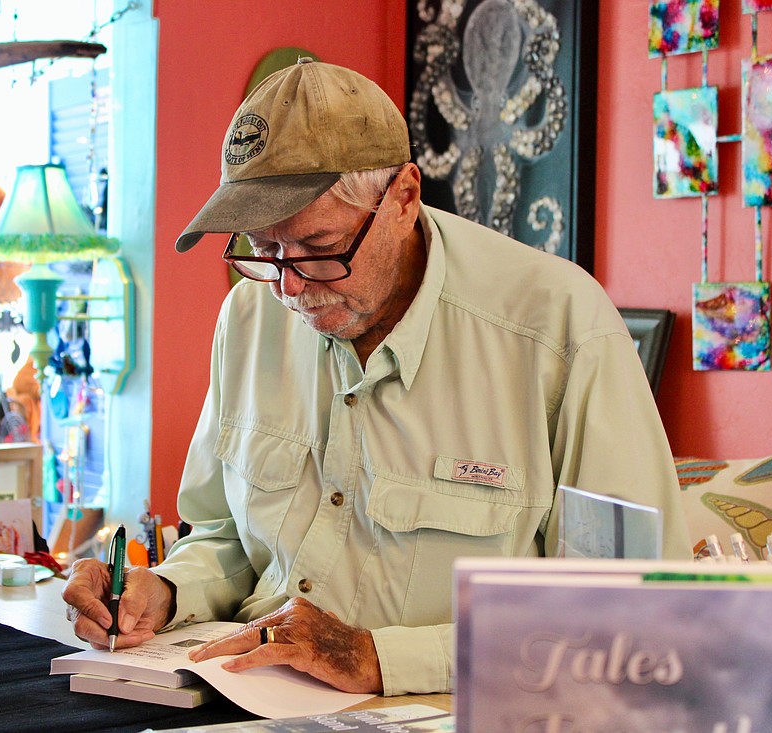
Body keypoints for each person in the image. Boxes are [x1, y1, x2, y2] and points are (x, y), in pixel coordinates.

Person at [63, 59, 691, 696]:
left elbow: (631, 613)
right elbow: (226, 536)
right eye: (265, 249)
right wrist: (167, 590)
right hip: (250, 695)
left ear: (404, 197)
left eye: (318, 247)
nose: (289, 287)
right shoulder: (250, 315)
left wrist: (379, 658)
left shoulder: (558, 329)